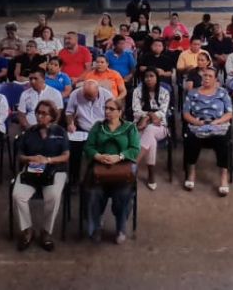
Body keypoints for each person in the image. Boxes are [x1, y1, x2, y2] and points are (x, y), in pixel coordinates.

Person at [12, 101, 69, 252]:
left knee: (54, 196)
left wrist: (48, 160)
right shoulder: (29, 132)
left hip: (54, 169)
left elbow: (65, 156)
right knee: (18, 196)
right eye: (38, 113)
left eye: (44, 114)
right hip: (33, 168)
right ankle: (28, 230)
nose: (39, 116)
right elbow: (20, 155)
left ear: (52, 116)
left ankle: (46, 232)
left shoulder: (60, 132)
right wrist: (31, 159)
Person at [84, 99, 140, 245]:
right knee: (94, 193)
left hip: (122, 170)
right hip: (100, 169)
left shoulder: (129, 128)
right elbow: (88, 147)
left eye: (111, 109)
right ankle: (96, 227)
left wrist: (119, 156)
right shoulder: (98, 127)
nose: (107, 111)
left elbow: (134, 150)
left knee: (123, 194)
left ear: (120, 112)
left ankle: (120, 228)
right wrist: (98, 156)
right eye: (106, 108)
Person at [182, 68, 233, 196]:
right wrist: (197, 122)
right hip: (198, 123)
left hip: (218, 123)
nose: (207, 78)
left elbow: (229, 113)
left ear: (216, 79)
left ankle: (223, 176)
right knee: (191, 138)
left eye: (210, 76)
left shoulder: (222, 93)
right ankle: (191, 172)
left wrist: (217, 122)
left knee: (223, 140)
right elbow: (186, 114)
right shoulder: (192, 93)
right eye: (205, 75)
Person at [65, 81, 114, 183]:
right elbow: (69, 112)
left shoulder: (107, 95)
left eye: (90, 96)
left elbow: (114, 115)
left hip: (102, 130)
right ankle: (75, 178)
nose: (87, 98)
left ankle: (100, 178)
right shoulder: (76, 94)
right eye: (85, 95)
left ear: (97, 91)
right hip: (81, 129)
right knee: (74, 150)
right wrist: (70, 123)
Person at [132, 69, 170, 190]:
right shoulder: (137, 91)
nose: (149, 79)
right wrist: (150, 115)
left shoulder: (164, 92)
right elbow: (136, 110)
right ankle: (151, 173)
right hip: (140, 125)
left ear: (157, 78)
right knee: (150, 138)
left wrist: (148, 117)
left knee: (149, 130)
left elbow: (163, 112)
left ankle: (133, 164)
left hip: (160, 127)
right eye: (146, 77)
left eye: (152, 76)